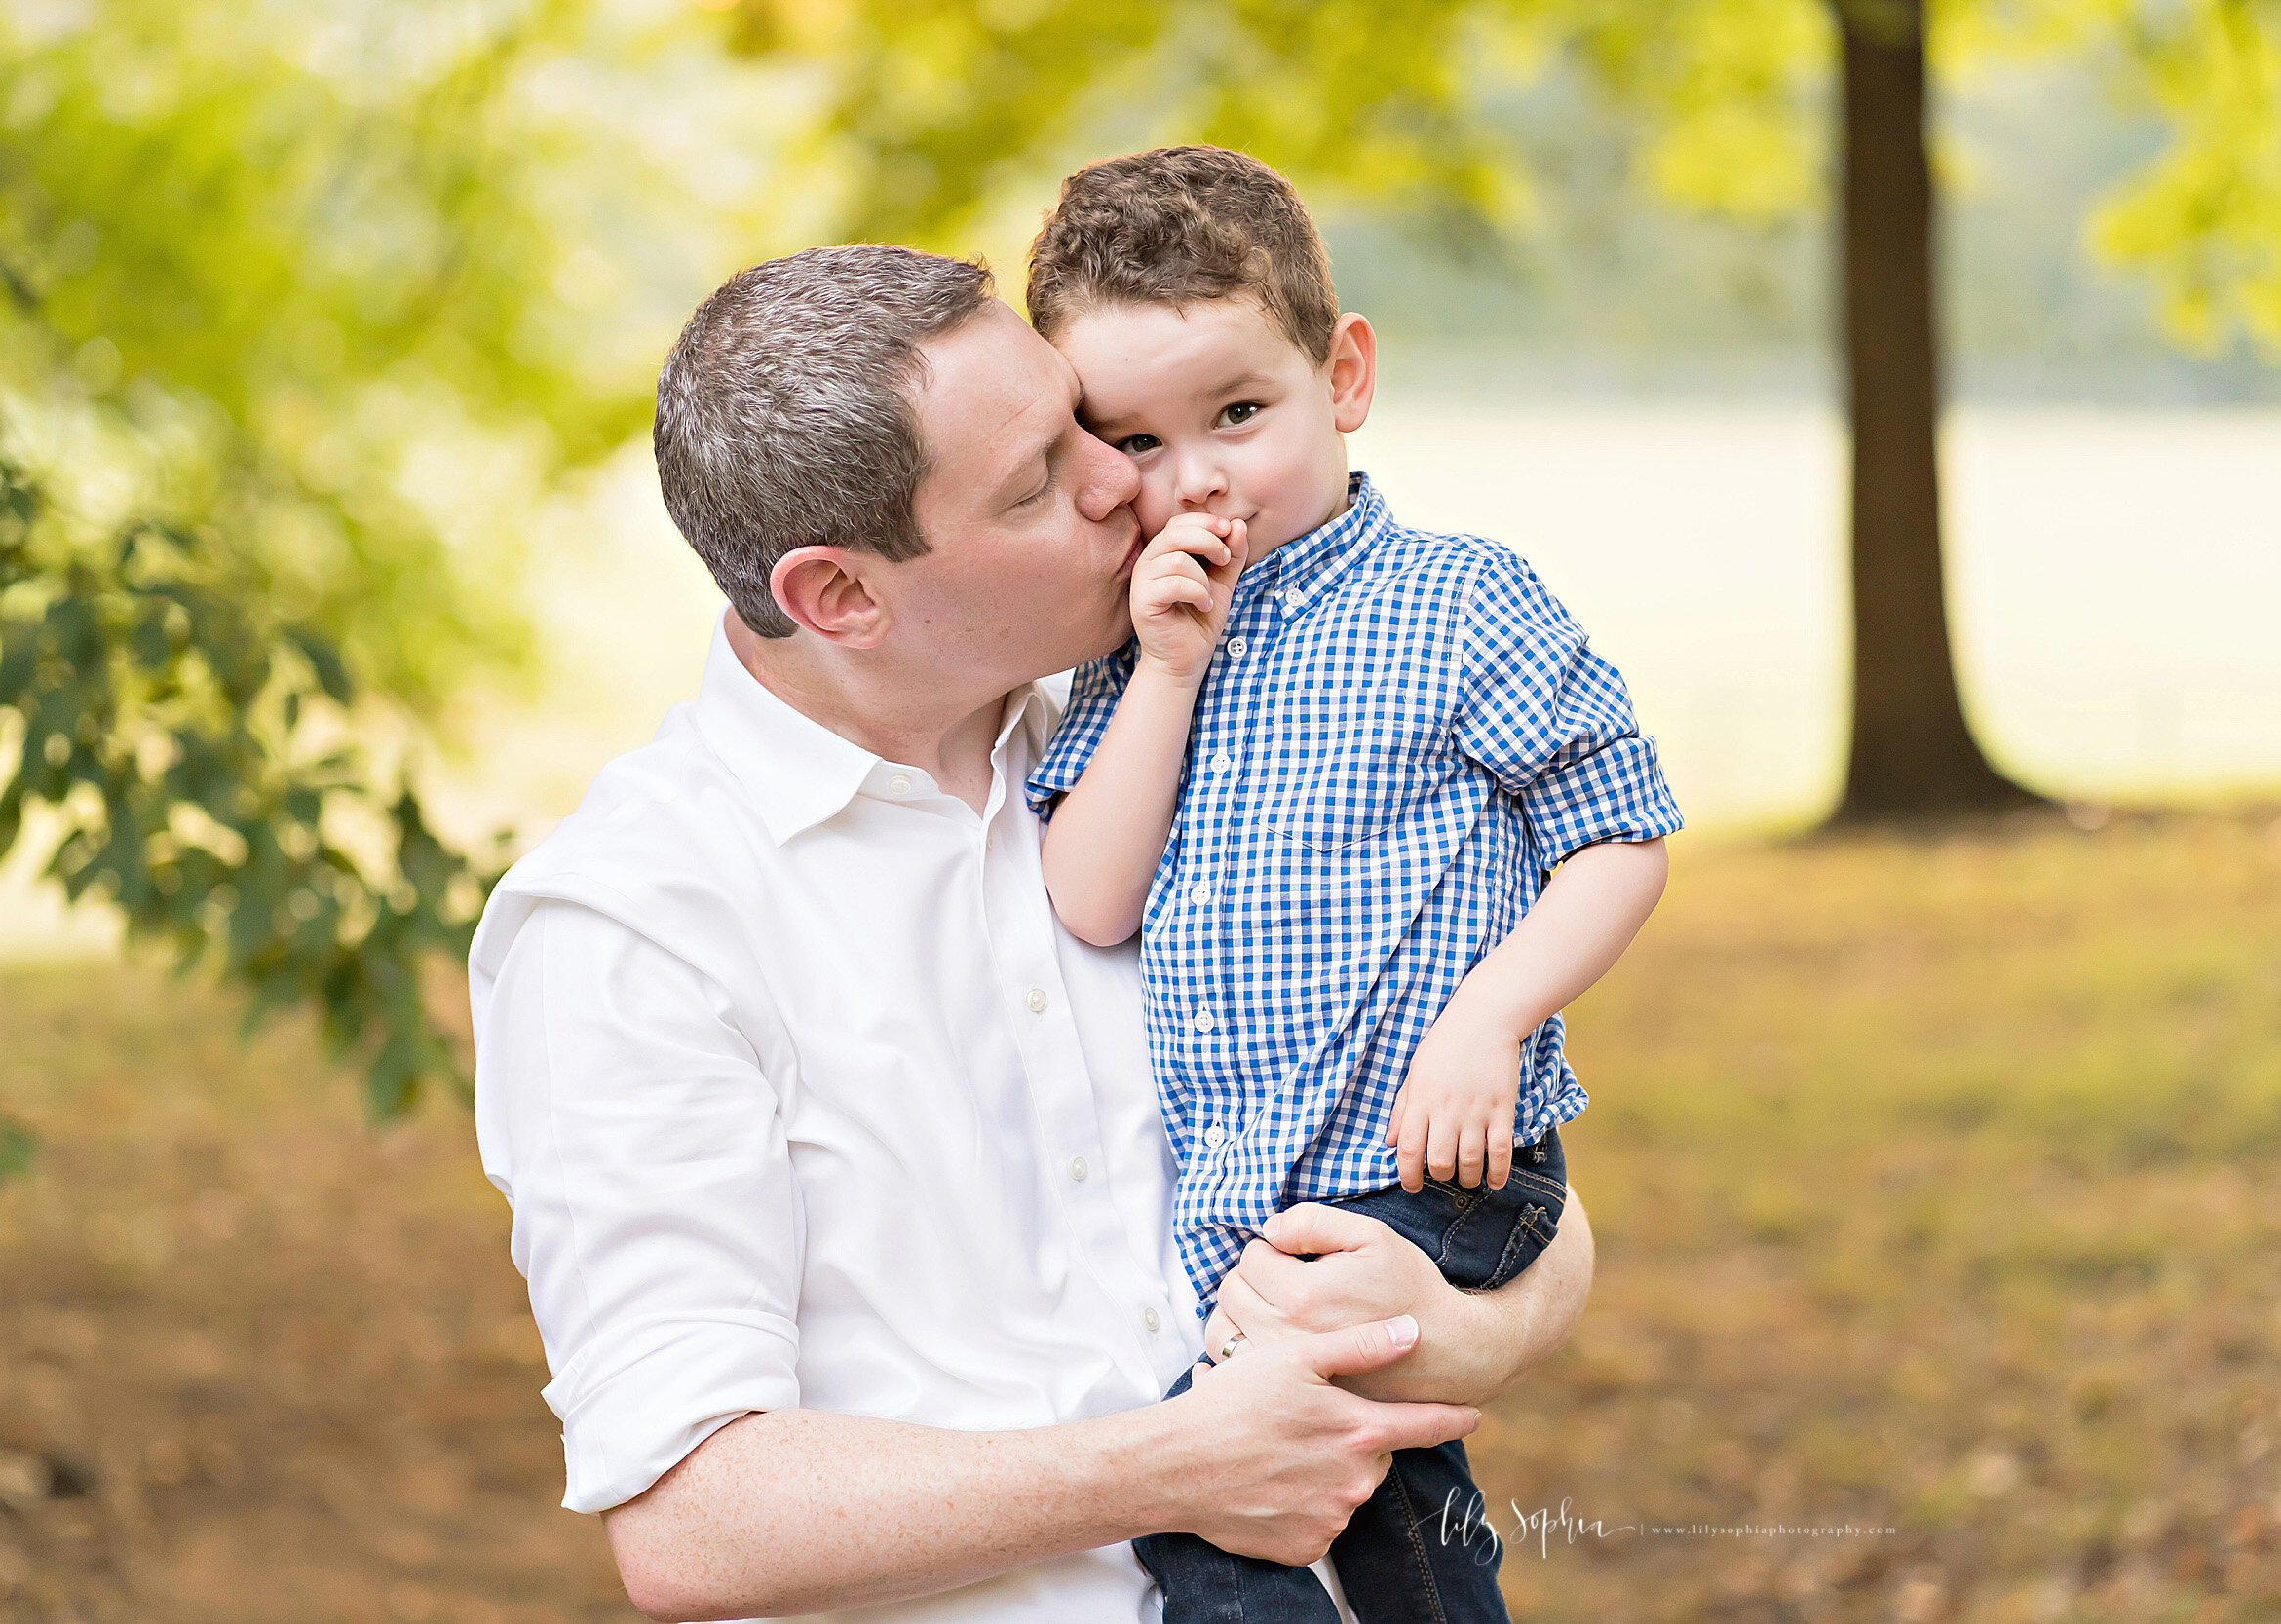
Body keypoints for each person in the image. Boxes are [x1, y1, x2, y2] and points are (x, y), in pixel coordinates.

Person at [469, 242, 1597, 1624]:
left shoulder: (1175, 742)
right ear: (841, 597)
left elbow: (1509, 1183)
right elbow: (696, 1524)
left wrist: (1466, 1324)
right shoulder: (634, 931)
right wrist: (1173, 1470)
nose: (1126, 477)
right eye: (1038, 482)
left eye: (1080, 421)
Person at [1027, 148, 1683, 1623]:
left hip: (1439, 1172)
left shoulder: (1460, 600)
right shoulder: (1130, 657)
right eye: (1132, 439)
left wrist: (1489, 1018)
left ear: (1345, 376)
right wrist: (1170, 669)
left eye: (1239, 414)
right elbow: (1091, 899)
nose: (1193, 478)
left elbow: (1622, 832)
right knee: (1387, 1514)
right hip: (1256, 1208)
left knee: (1214, 1524)